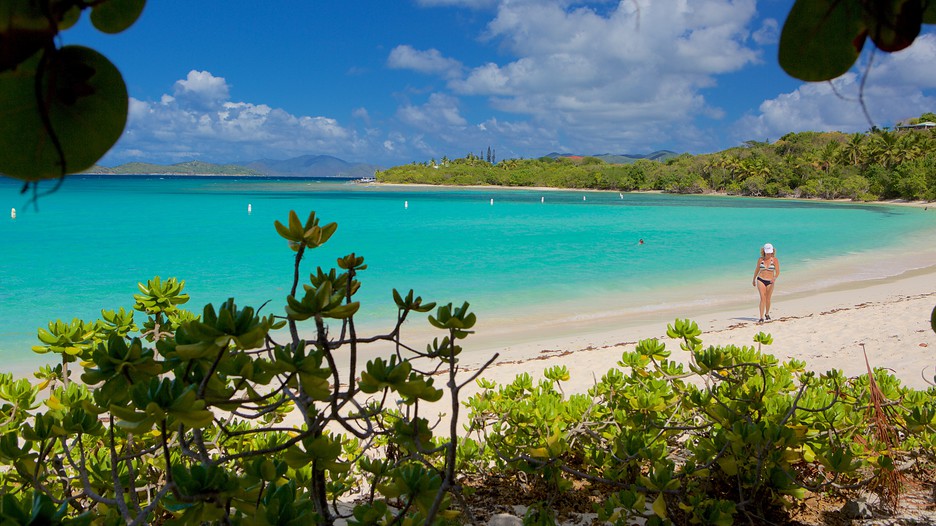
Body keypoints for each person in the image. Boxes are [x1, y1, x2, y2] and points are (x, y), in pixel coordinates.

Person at [752, 243, 780, 323]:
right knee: (762, 298)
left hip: (770, 281)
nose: (768, 254)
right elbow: (757, 269)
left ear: (772, 251)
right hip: (760, 279)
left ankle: (767, 314)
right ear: (763, 251)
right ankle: (761, 317)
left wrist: (774, 278)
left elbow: (777, 271)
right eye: (767, 252)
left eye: (770, 252)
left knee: (768, 298)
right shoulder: (760, 260)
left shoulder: (775, 260)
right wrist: (754, 279)